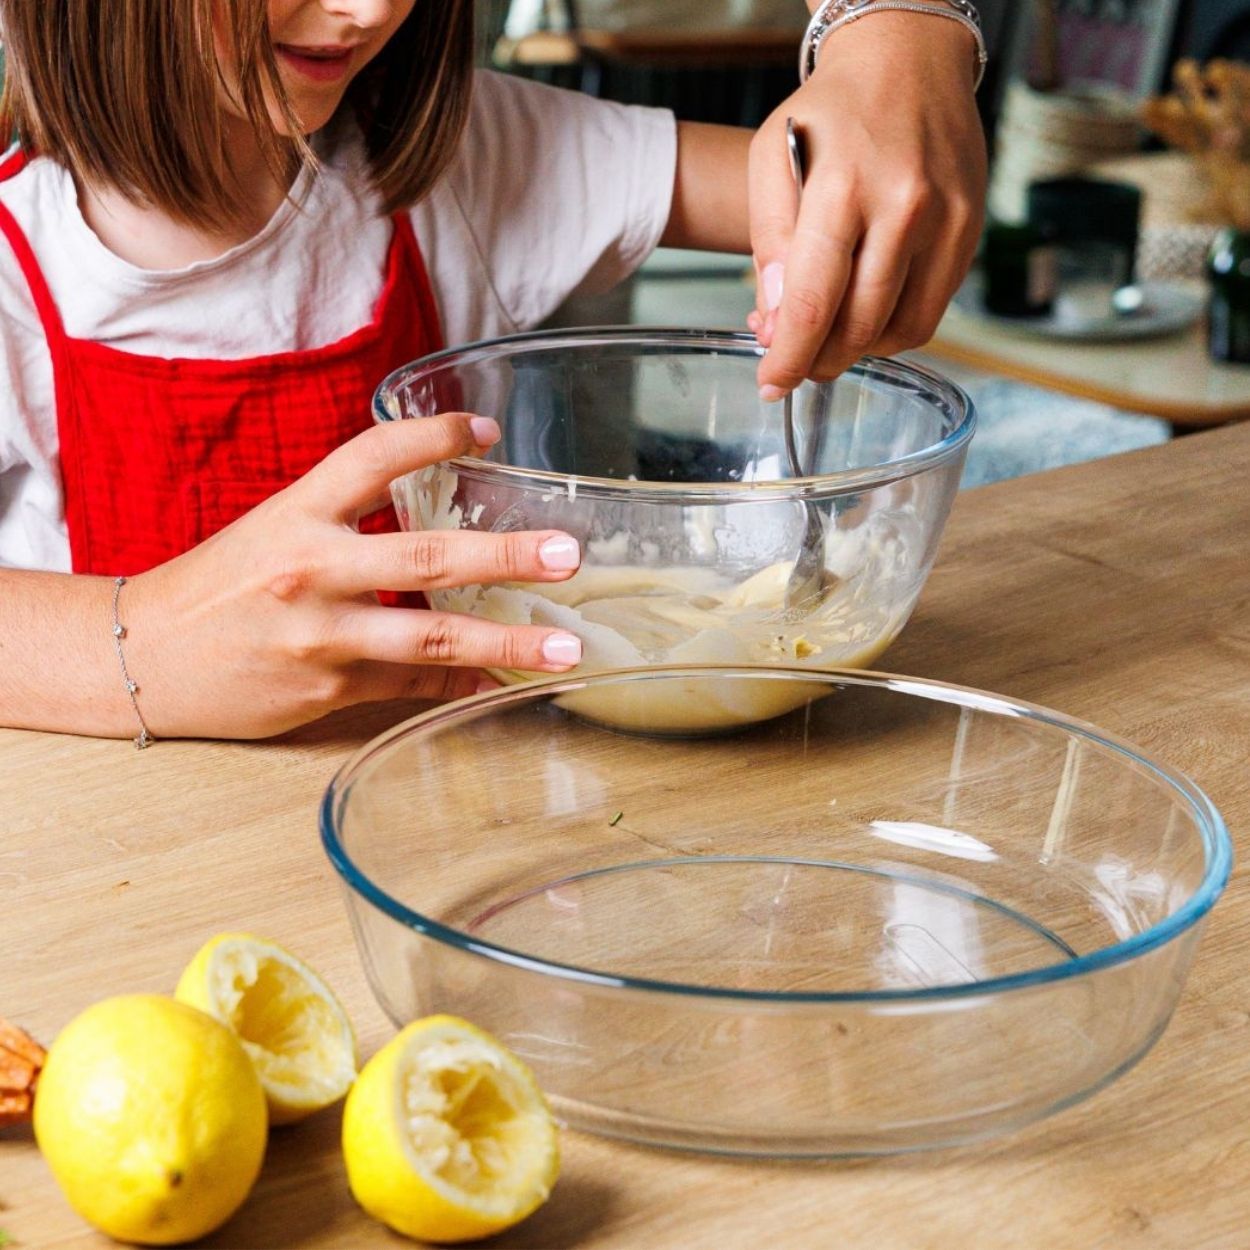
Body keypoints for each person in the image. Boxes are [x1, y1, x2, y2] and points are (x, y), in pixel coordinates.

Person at [0, 0, 986, 742]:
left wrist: (897, 37)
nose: (374, 8)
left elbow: (851, 196)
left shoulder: (467, 164)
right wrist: (134, 646)